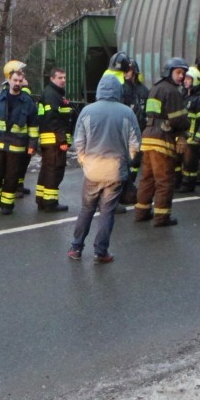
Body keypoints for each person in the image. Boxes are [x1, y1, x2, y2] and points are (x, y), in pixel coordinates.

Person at [67, 74, 141, 264]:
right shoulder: (127, 113)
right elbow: (135, 144)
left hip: (92, 170)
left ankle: (76, 248)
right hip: (115, 171)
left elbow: (78, 142)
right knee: (107, 212)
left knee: (86, 209)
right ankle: (101, 252)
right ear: (118, 91)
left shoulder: (87, 111)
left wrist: (85, 162)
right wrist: (127, 162)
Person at [0, 60, 39, 214]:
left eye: (20, 81)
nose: (17, 83)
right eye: (15, 80)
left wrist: (33, 144)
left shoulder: (28, 102)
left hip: (17, 147)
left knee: (12, 177)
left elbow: (33, 126)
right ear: (9, 81)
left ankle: (7, 204)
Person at [135, 57, 189, 227]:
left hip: (148, 137)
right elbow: (178, 119)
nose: (181, 76)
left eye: (184, 73)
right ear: (169, 72)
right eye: (179, 72)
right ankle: (161, 217)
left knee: (147, 178)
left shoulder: (155, 88)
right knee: (164, 179)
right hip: (162, 139)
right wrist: (183, 134)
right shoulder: (172, 91)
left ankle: (141, 212)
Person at [36, 67, 75, 212]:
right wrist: (62, 139)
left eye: (64, 77)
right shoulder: (52, 95)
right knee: (55, 170)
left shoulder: (53, 93)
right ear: (52, 79)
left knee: (46, 169)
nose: (63, 80)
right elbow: (52, 118)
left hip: (50, 139)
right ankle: (50, 203)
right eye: (60, 77)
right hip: (54, 140)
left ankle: (41, 200)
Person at [179, 66, 200, 193]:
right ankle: (180, 183)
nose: (185, 81)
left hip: (192, 138)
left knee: (190, 164)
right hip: (183, 136)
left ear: (196, 80)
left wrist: (198, 137)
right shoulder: (184, 96)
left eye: (189, 79)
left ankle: (188, 185)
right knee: (179, 162)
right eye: (185, 79)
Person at [120, 59, 149, 202]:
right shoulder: (121, 89)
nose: (126, 73)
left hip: (140, 131)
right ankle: (124, 190)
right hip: (126, 132)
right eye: (124, 71)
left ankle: (129, 187)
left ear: (134, 71)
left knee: (136, 161)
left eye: (129, 70)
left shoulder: (143, 90)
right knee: (126, 161)